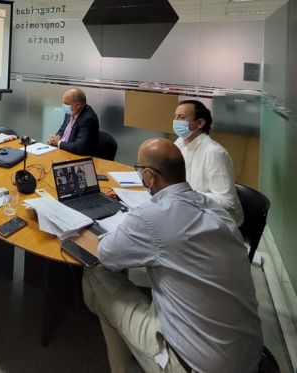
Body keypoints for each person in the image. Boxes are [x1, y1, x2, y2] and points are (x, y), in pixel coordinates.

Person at [82, 138, 262, 373]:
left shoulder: (151, 217)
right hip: (248, 356)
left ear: (149, 176)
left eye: (139, 171)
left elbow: (105, 254)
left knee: (96, 273)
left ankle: (129, 363)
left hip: (191, 365)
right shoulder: (216, 209)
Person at [173, 99, 243, 226]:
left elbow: (227, 201)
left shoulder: (214, 153)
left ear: (200, 123)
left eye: (181, 117)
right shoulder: (179, 143)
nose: (176, 121)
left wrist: (189, 196)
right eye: (176, 117)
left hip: (218, 219)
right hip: (189, 209)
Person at [47, 87, 99, 155]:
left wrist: (58, 143)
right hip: (64, 152)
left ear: (78, 105)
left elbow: (79, 147)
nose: (64, 106)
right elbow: (63, 129)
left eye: (66, 104)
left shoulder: (88, 119)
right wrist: (55, 138)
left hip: (78, 157)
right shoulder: (71, 111)